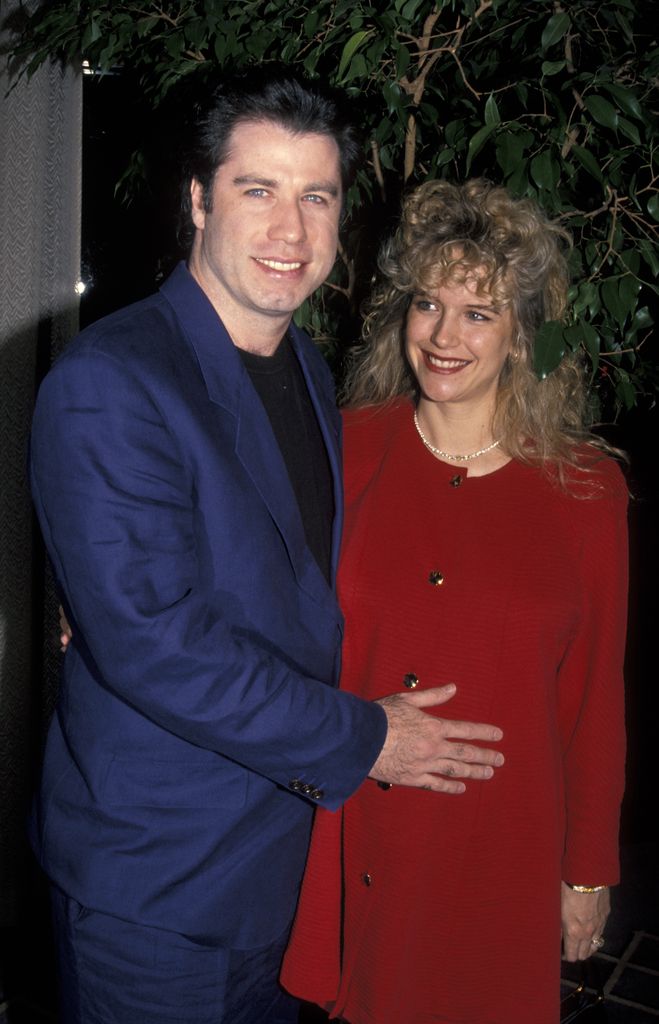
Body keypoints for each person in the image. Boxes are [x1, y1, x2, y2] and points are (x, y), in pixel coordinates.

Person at [29, 72, 506, 1024]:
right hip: (161, 889)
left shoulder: (305, 366)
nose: (289, 231)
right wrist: (371, 739)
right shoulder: (114, 377)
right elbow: (157, 645)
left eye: (315, 196)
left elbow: (299, 588)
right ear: (198, 201)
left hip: (284, 870)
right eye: (258, 190)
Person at [281, 178, 628, 1023]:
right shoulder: (346, 448)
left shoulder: (585, 489)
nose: (442, 336)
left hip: (503, 843)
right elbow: (260, 583)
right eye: (428, 304)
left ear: (519, 334)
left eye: (478, 313)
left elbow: (593, 699)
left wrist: (586, 871)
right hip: (363, 822)